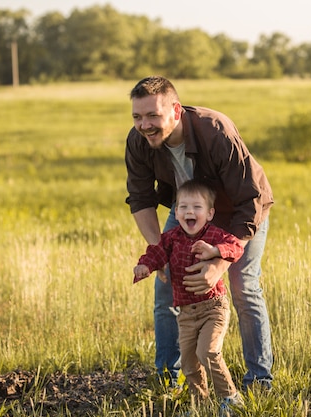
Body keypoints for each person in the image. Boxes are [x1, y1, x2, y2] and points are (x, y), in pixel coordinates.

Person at [124, 76, 274, 390]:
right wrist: (160, 253)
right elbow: (140, 198)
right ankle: (170, 378)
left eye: (153, 115)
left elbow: (250, 200)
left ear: (176, 111)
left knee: (242, 286)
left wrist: (220, 263)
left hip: (239, 212)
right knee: (165, 289)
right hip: (187, 213)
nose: (144, 124)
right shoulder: (139, 141)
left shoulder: (215, 131)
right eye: (137, 116)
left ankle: (259, 379)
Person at [133, 179, 244, 412]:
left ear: (210, 213)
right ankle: (199, 404)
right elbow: (156, 252)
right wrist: (145, 266)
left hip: (212, 308)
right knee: (189, 362)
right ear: (176, 212)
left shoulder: (214, 235)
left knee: (208, 351)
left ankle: (231, 398)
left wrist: (215, 251)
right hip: (185, 313)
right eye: (182, 207)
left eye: (196, 207)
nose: (189, 212)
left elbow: (236, 246)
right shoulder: (171, 237)